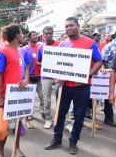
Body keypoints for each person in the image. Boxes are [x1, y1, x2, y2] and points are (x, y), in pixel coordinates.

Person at [44, 17, 103, 154]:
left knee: (79, 115)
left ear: (78, 26)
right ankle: (56, 139)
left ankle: (73, 141)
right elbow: (58, 64)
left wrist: (87, 75)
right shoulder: (63, 44)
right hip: (64, 87)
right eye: (66, 26)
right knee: (60, 113)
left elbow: (99, 61)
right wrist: (58, 77)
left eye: (71, 25)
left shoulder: (90, 43)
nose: (68, 28)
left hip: (82, 87)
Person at [0, 24, 30, 157]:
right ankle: (0, 150)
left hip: (19, 95)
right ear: (16, 35)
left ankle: (16, 148)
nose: (23, 35)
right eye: (21, 33)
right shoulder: (3, 51)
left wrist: (26, 80)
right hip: (6, 95)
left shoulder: (21, 51)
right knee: (3, 126)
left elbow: (27, 67)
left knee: (17, 123)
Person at [37, 26, 60, 129]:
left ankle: (65, 120)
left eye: (50, 33)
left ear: (53, 33)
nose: (48, 35)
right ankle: (48, 119)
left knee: (61, 98)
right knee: (46, 99)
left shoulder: (59, 45)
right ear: (43, 35)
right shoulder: (41, 47)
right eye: (46, 33)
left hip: (58, 75)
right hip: (46, 76)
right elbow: (38, 61)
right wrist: (46, 64)